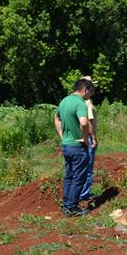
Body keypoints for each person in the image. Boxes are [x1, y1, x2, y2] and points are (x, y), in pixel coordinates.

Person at [54, 79, 93, 216]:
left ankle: (66, 204)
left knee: (69, 176)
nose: (90, 95)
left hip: (66, 145)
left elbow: (56, 118)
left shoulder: (64, 101)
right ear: (85, 89)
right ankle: (72, 207)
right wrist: (85, 139)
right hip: (77, 146)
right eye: (91, 92)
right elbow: (84, 122)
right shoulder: (80, 103)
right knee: (78, 177)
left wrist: (62, 136)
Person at [77, 75, 98, 208]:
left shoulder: (76, 100)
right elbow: (89, 121)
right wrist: (94, 138)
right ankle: (84, 194)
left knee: (79, 166)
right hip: (88, 136)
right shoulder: (87, 102)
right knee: (88, 166)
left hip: (78, 136)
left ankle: (78, 192)